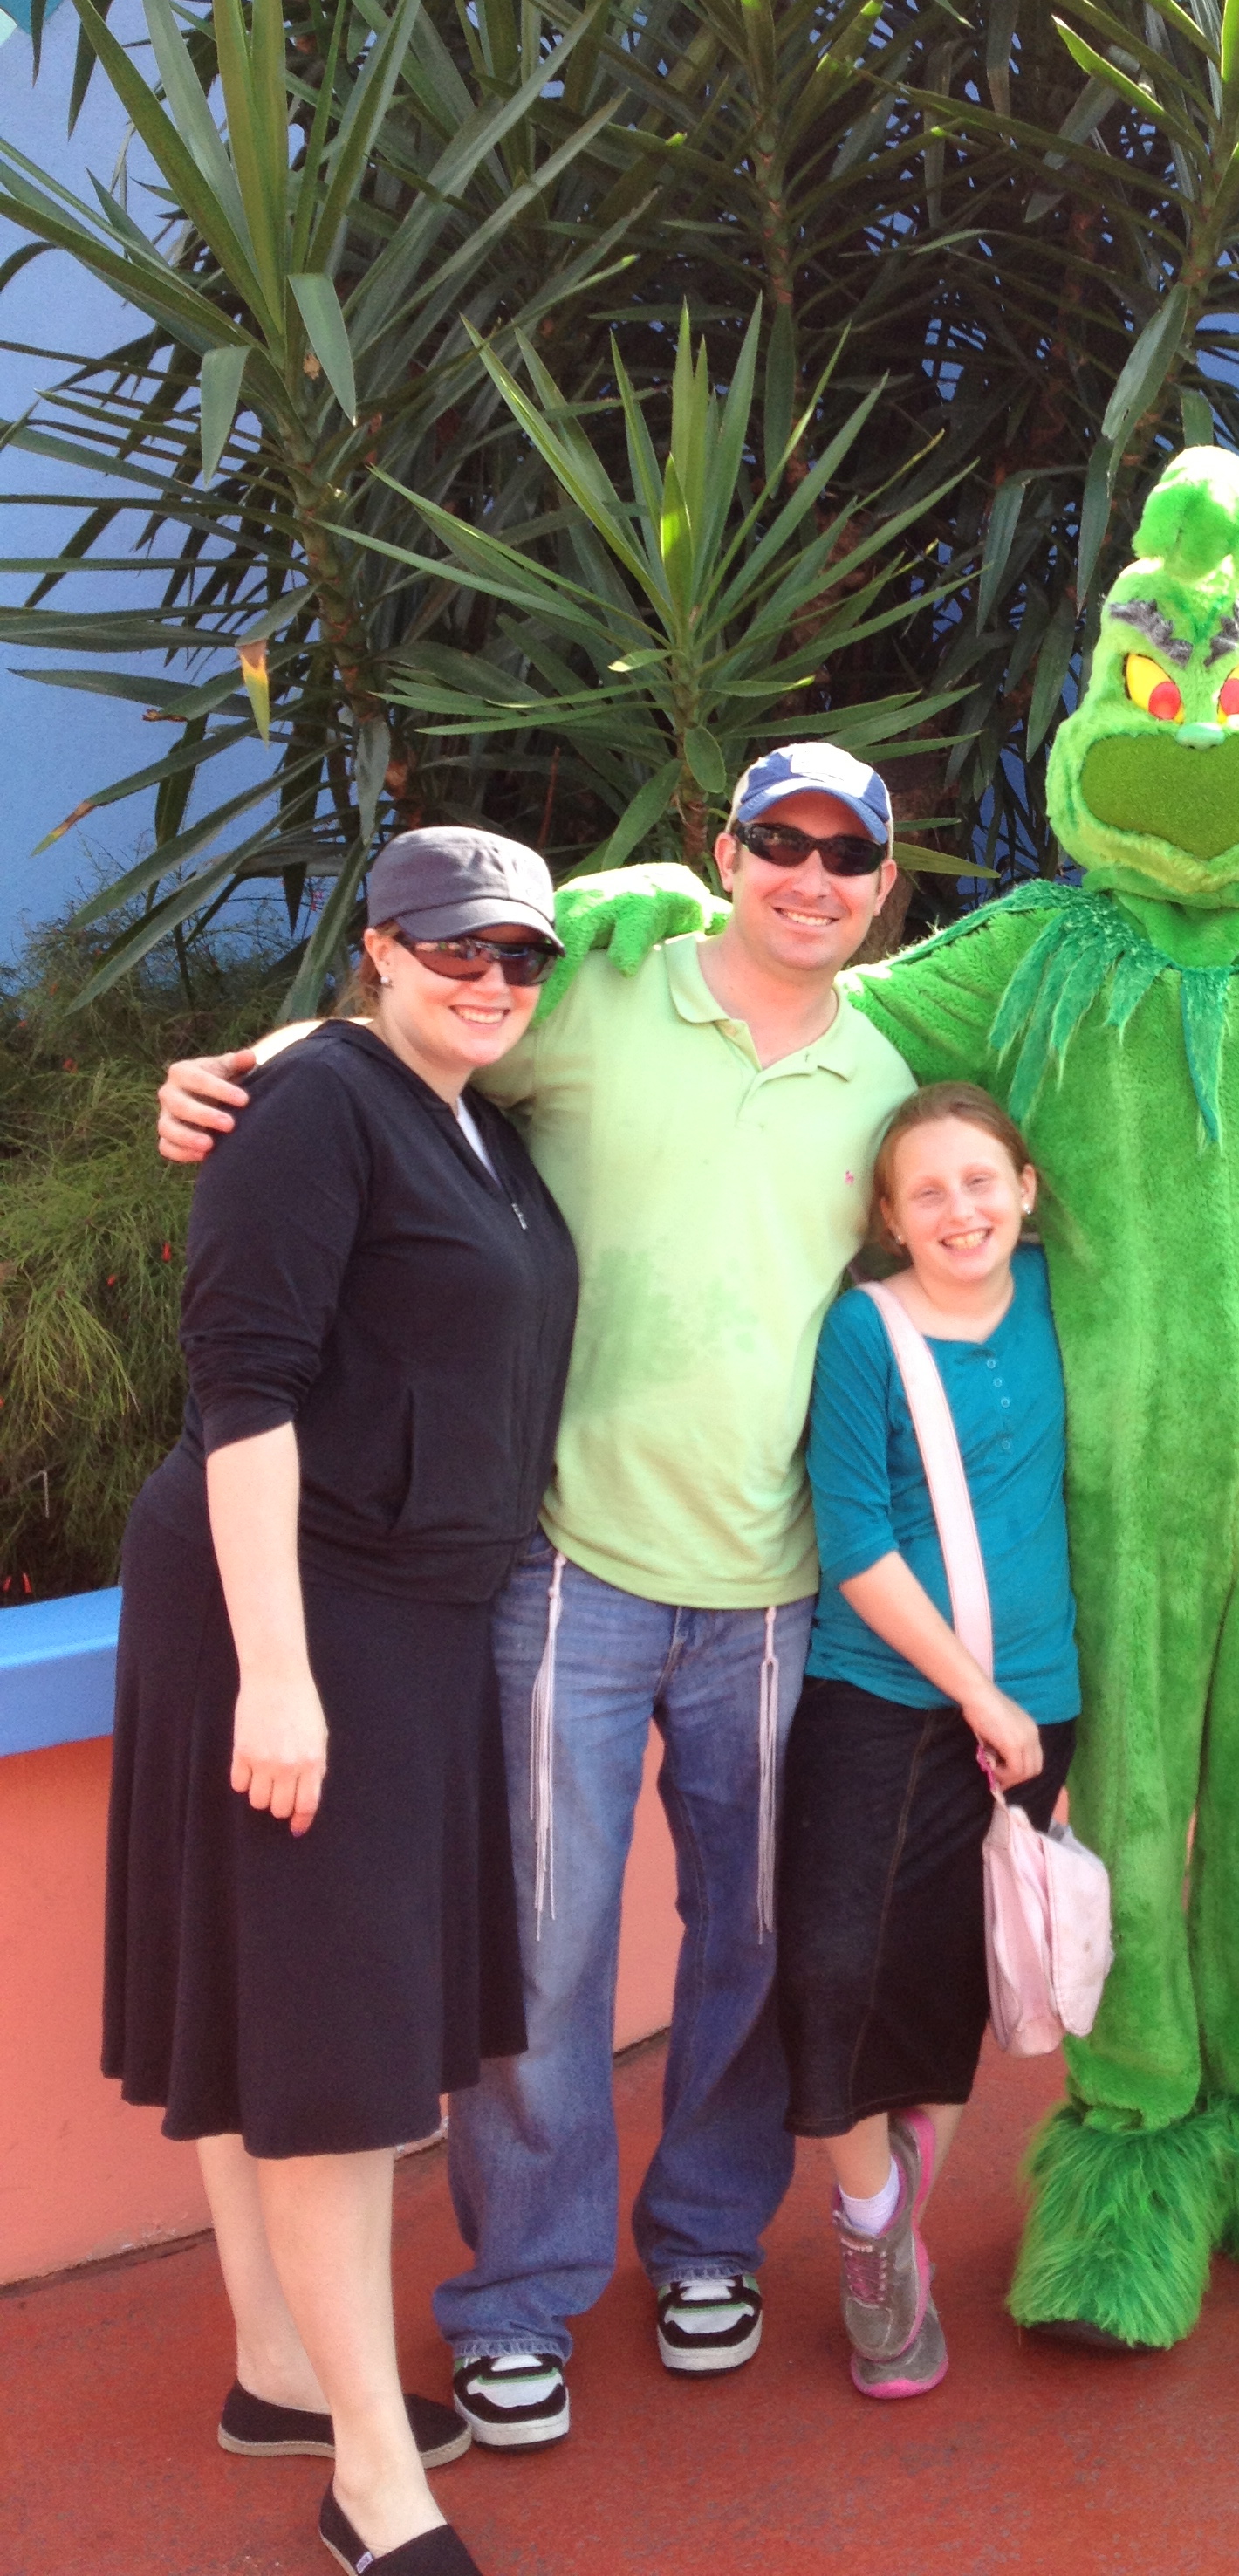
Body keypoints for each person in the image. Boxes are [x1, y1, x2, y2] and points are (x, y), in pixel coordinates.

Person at [152, 745, 914, 2448]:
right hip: (569, 1565)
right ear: (725, 849)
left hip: (777, 1584)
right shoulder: (601, 998)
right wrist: (247, 1072)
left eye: (846, 853)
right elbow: (415, 1033)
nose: (810, 876)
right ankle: (520, 2291)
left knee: (755, 1939)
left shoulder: (889, 1065)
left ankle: (708, 2237)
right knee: (545, 1953)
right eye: (779, 840)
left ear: (883, 881)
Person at [105, 829, 577, 2576]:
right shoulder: (316, 1106)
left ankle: (281, 2371)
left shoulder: (471, 1117)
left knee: (290, 2009)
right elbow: (243, 1389)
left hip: (415, 1611)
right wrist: (281, 1675)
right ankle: (372, 2477)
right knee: (340, 2051)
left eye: (520, 955)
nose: (492, 980)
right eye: (455, 948)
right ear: (378, 947)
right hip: (299, 1605)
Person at [778, 1083, 1079, 2395]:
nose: (961, 1210)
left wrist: (1024, 1705)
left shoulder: (1064, 1298)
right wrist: (977, 1694)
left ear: (1026, 1189)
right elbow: (855, 1540)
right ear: (891, 1219)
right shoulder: (866, 1330)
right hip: (884, 1698)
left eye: (981, 1181)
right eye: (929, 1191)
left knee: (961, 1976)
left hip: (1043, 1699)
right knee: (833, 1971)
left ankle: (900, 2227)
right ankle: (869, 2223)